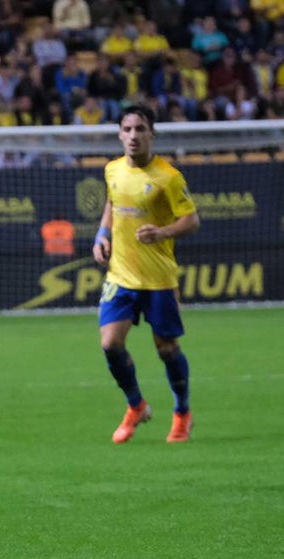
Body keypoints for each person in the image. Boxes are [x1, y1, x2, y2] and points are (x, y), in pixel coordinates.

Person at [92, 105, 200, 446]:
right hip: (121, 275)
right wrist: (101, 235)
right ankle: (136, 405)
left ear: (152, 134)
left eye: (141, 129)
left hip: (158, 279)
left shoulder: (168, 176)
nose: (134, 135)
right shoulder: (112, 170)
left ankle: (182, 413)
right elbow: (111, 202)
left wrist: (163, 232)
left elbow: (192, 220)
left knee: (167, 349)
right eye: (128, 129)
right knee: (110, 344)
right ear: (120, 134)